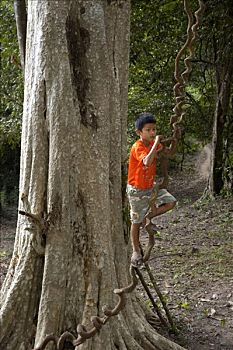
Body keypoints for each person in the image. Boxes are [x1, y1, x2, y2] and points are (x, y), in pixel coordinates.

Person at [127, 112, 176, 268]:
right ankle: (135, 251)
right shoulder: (138, 147)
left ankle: (148, 217)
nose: (152, 133)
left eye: (154, 129)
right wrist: (156, 143)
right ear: (139, 132)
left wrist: (172, 139)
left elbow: (165, 151)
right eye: (148, 130)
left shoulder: (153, 144)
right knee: (135, 221)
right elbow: (147, 161)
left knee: (171, 202)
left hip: (150, 188)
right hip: (137, 190)